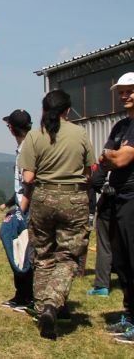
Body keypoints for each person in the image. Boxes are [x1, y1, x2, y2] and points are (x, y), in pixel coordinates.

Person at [18, 90, 95, 340]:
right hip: (74, 199)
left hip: (43, 197)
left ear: (44, 109)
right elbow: (89, 173)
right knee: (68, 257)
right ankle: (52, 304)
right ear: (68, 110)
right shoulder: (80, 133)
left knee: (43, 255)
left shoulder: (35, 135)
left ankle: (42, 310)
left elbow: (28, 177)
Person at [100, 72, 134, 343]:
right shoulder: (121, 126)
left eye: (130, 91)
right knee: (121, 261)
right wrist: (112, 155)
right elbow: (105, 157)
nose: (125, 96)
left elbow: (121, 160)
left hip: (133, 197)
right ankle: (130, 315)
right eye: (121, 92)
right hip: (117, 198)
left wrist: (114, 155)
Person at [0, 109, 34, 312]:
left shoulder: (28, 149)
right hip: (22, 206)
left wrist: (21, 210)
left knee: (20, 248)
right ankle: (23, 294)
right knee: (19, 246)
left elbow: (29, 182)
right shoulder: (27, 146)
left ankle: (25, 295)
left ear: (11, 128)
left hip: (26, 209)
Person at [87, 164, 112, 297]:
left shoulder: (110, 157)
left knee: (104, 246)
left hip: (109, 204)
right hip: (129, 204)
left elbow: (96, 181)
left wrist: (104, 189)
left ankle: (102, 286)